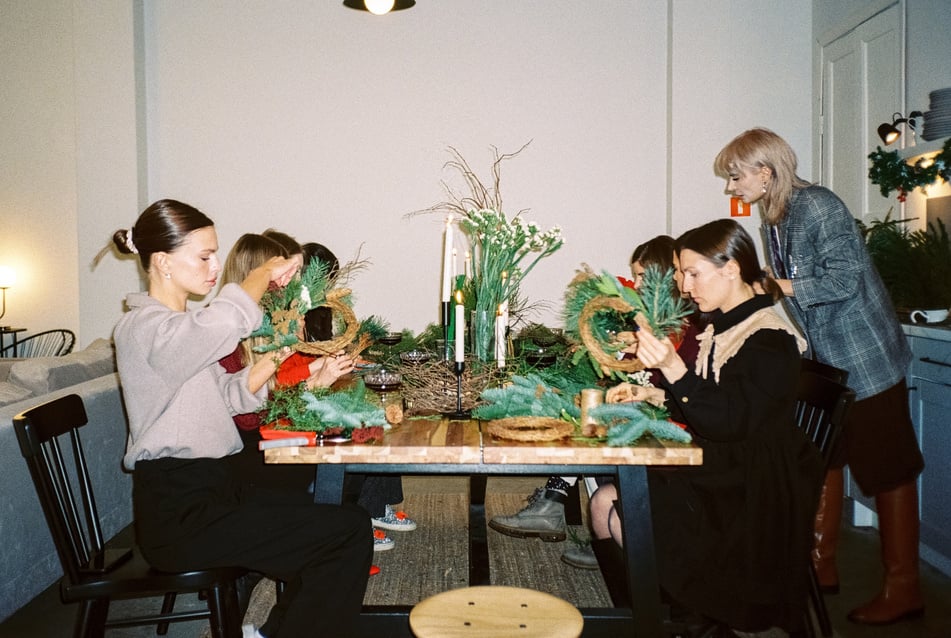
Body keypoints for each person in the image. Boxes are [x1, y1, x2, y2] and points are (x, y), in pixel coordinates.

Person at [111, 199, 372, 638]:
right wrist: (257, 276)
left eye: (215, 254)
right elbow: (224, 322)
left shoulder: (178, 328)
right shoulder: (144, 330)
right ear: (163, 262)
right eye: (204, 256)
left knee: (332, 519)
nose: (215, 266)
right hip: (180, 512)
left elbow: (230, 397)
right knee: (344, 534)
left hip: (213, 492)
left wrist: (278, 360)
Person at [715, 128, 925, 625]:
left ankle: (905, 589)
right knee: (823, 456)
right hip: (829, 358)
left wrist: (771, 284)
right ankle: (819, 564)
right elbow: (781, 290)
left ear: (765, 172)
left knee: (889, 470)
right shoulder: (776, 217)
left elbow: (842, 278)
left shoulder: (817, 206)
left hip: (866, 357)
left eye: (736, 176)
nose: (731, 188)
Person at [589, 219, 823, 634]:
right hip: (723, 467)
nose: (683, 285)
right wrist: (656, 394)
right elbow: (718, 402)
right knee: (606, 499)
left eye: (693, 273)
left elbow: (729, 421)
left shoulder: (769, 336)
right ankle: (653, 609)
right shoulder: (727, 323)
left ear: (730, 268)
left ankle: (681, 612)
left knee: (617, 504)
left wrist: (672, 369)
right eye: (682, 273)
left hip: (749, 493)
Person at [489, 235, 696, 570]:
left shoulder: (679, 325)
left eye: (643, 276)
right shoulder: (647, 318)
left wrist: (632, 357)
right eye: (636, 276)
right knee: (580, 405)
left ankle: (564, 510)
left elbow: (662, 380)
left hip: (667, 426)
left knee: (591, 416)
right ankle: (563, 509)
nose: (637, 284)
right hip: (645, 408)